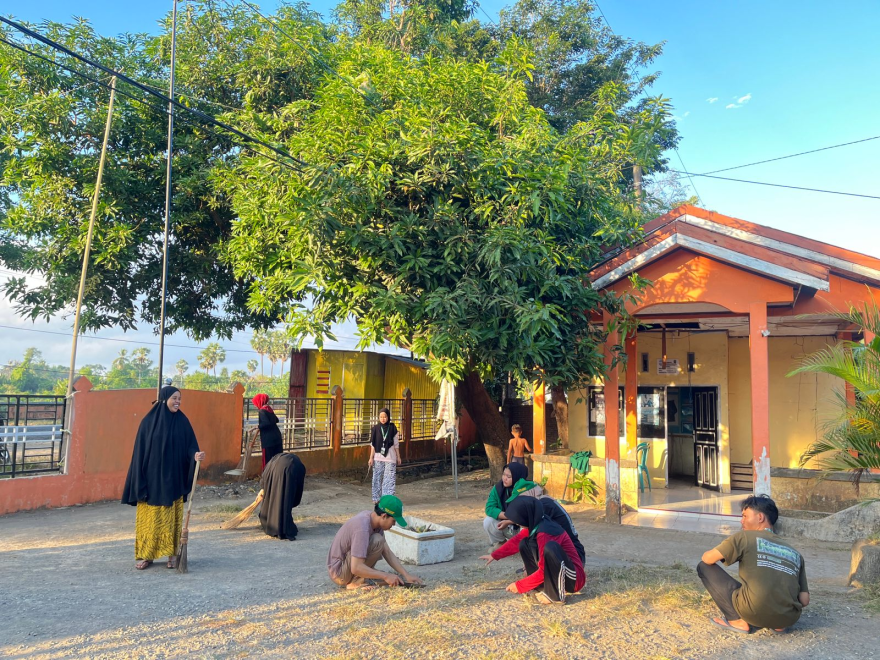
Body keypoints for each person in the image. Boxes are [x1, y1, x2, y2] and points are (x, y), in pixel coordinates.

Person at [697, 495, 810, 633]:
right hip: (788, 618)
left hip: (752, 611)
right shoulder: (796, 554)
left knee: (703, 567)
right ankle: (777, 625)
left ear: (760, 517)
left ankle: (737, 620)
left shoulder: (745, 537)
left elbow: (708, 559)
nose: (741, 521)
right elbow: (804, 600)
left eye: (745, 516)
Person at [122, 386, 205, 570]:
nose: (178, 402)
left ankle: (172, 556)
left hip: (173, 479)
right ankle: (147, 556)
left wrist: (194, 456)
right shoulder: (147, 422)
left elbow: (190, 444)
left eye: (179, 399)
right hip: (151, 481)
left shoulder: (182, 421)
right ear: (165, 398)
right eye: (174, 398)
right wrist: (139, 478)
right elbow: (139, 453)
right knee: (150, 521)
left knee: (170, 519)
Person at [480, 496, 585, 604]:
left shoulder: (546, 532)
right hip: (561, 573)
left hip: (574, 579)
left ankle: (555, 596)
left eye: (518, 520)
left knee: (550, 548)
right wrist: (495, 555)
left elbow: (543, 570)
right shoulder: (537, 523)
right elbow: (517, 540)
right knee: (524, 543)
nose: (516, 523)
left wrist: (520, 585)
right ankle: (540, 587)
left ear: (526, 516)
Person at [327, 495, 423, 589]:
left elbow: (387, 552)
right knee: (377, 540)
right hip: (340, 573)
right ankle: (355, 581)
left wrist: (406, 575)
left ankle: (360, 578)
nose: (394, 524)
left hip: (348, 566)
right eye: (393, 521)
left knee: (379, 541)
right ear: (384, 516)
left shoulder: (375, 521)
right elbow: (356, 567)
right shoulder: (362, 527)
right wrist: (385, 576)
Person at [504, 477, 585, 564]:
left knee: (530, 537)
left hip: (574, 559)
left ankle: (539, 569)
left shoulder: (544, 505)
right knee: (526, 540)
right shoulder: (543, 502)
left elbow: (530, 528)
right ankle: (536, 569)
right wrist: (509, 521)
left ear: (527, 494)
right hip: (567, 554)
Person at [259, 453, 307, 540]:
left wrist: (263, 489)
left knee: (274, 495)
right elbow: (297, 489)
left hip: (274, 466)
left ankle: (272, 524)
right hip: (290, 467)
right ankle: (283, 527)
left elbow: (264, 479)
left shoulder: (269, 466)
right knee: (285, 496)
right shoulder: (298, 465)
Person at [483, 462, 529, 547]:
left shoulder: (527, 490)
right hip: (508, 528)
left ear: (517, 477)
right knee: (488, 521)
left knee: (526, 525)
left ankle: (525, 547)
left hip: (523, 529)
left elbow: (529, 516)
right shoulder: (498, 488)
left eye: (509, 477)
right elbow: (489, 508)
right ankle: (501, 543)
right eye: (504, 474)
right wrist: (508, 516)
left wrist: (511, 519)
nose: (505, 478)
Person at [369, 408, 400, 504]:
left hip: (390, 457)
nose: (383, 419)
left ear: (388, 417)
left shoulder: (393, 428)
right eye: (381, 417)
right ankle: (376, 498)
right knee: (376, 478)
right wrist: (371, 458)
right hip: (378, 457)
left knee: (389, 479)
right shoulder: (375, 429)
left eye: (385, 417)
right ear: (378, 417)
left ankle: (387, 499)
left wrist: (398, 456)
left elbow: (396, 444)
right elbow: (373, 445)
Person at [253, 393, 283, 469]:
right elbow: (276, 420)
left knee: (268, 461)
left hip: (268, 440)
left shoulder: (262, 411)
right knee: (277, 460)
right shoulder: (269, 409)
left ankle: (267, 479)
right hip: (277, 437)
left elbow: (266, 423)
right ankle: (277, 477)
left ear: (259, 402)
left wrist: (258, 426)